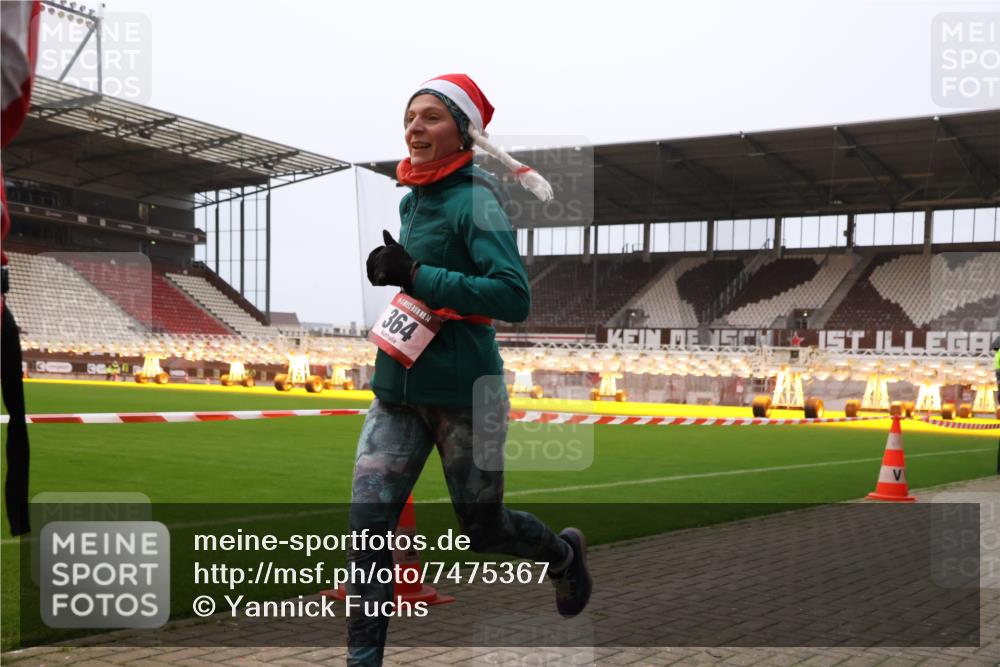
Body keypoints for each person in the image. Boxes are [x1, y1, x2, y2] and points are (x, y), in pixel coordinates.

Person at [349, 74, 591, 666]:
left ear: (464, 133)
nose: (415, 127)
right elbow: (422, 286)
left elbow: (512, 297)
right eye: (410, 117)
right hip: (397, 390)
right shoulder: (413, 200)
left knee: (482, 530)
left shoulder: (477, 200)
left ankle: (561, 557)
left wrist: (415, 275)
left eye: (431, 117)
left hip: (465, 394)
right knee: (366, 531)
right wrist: (398, 272)